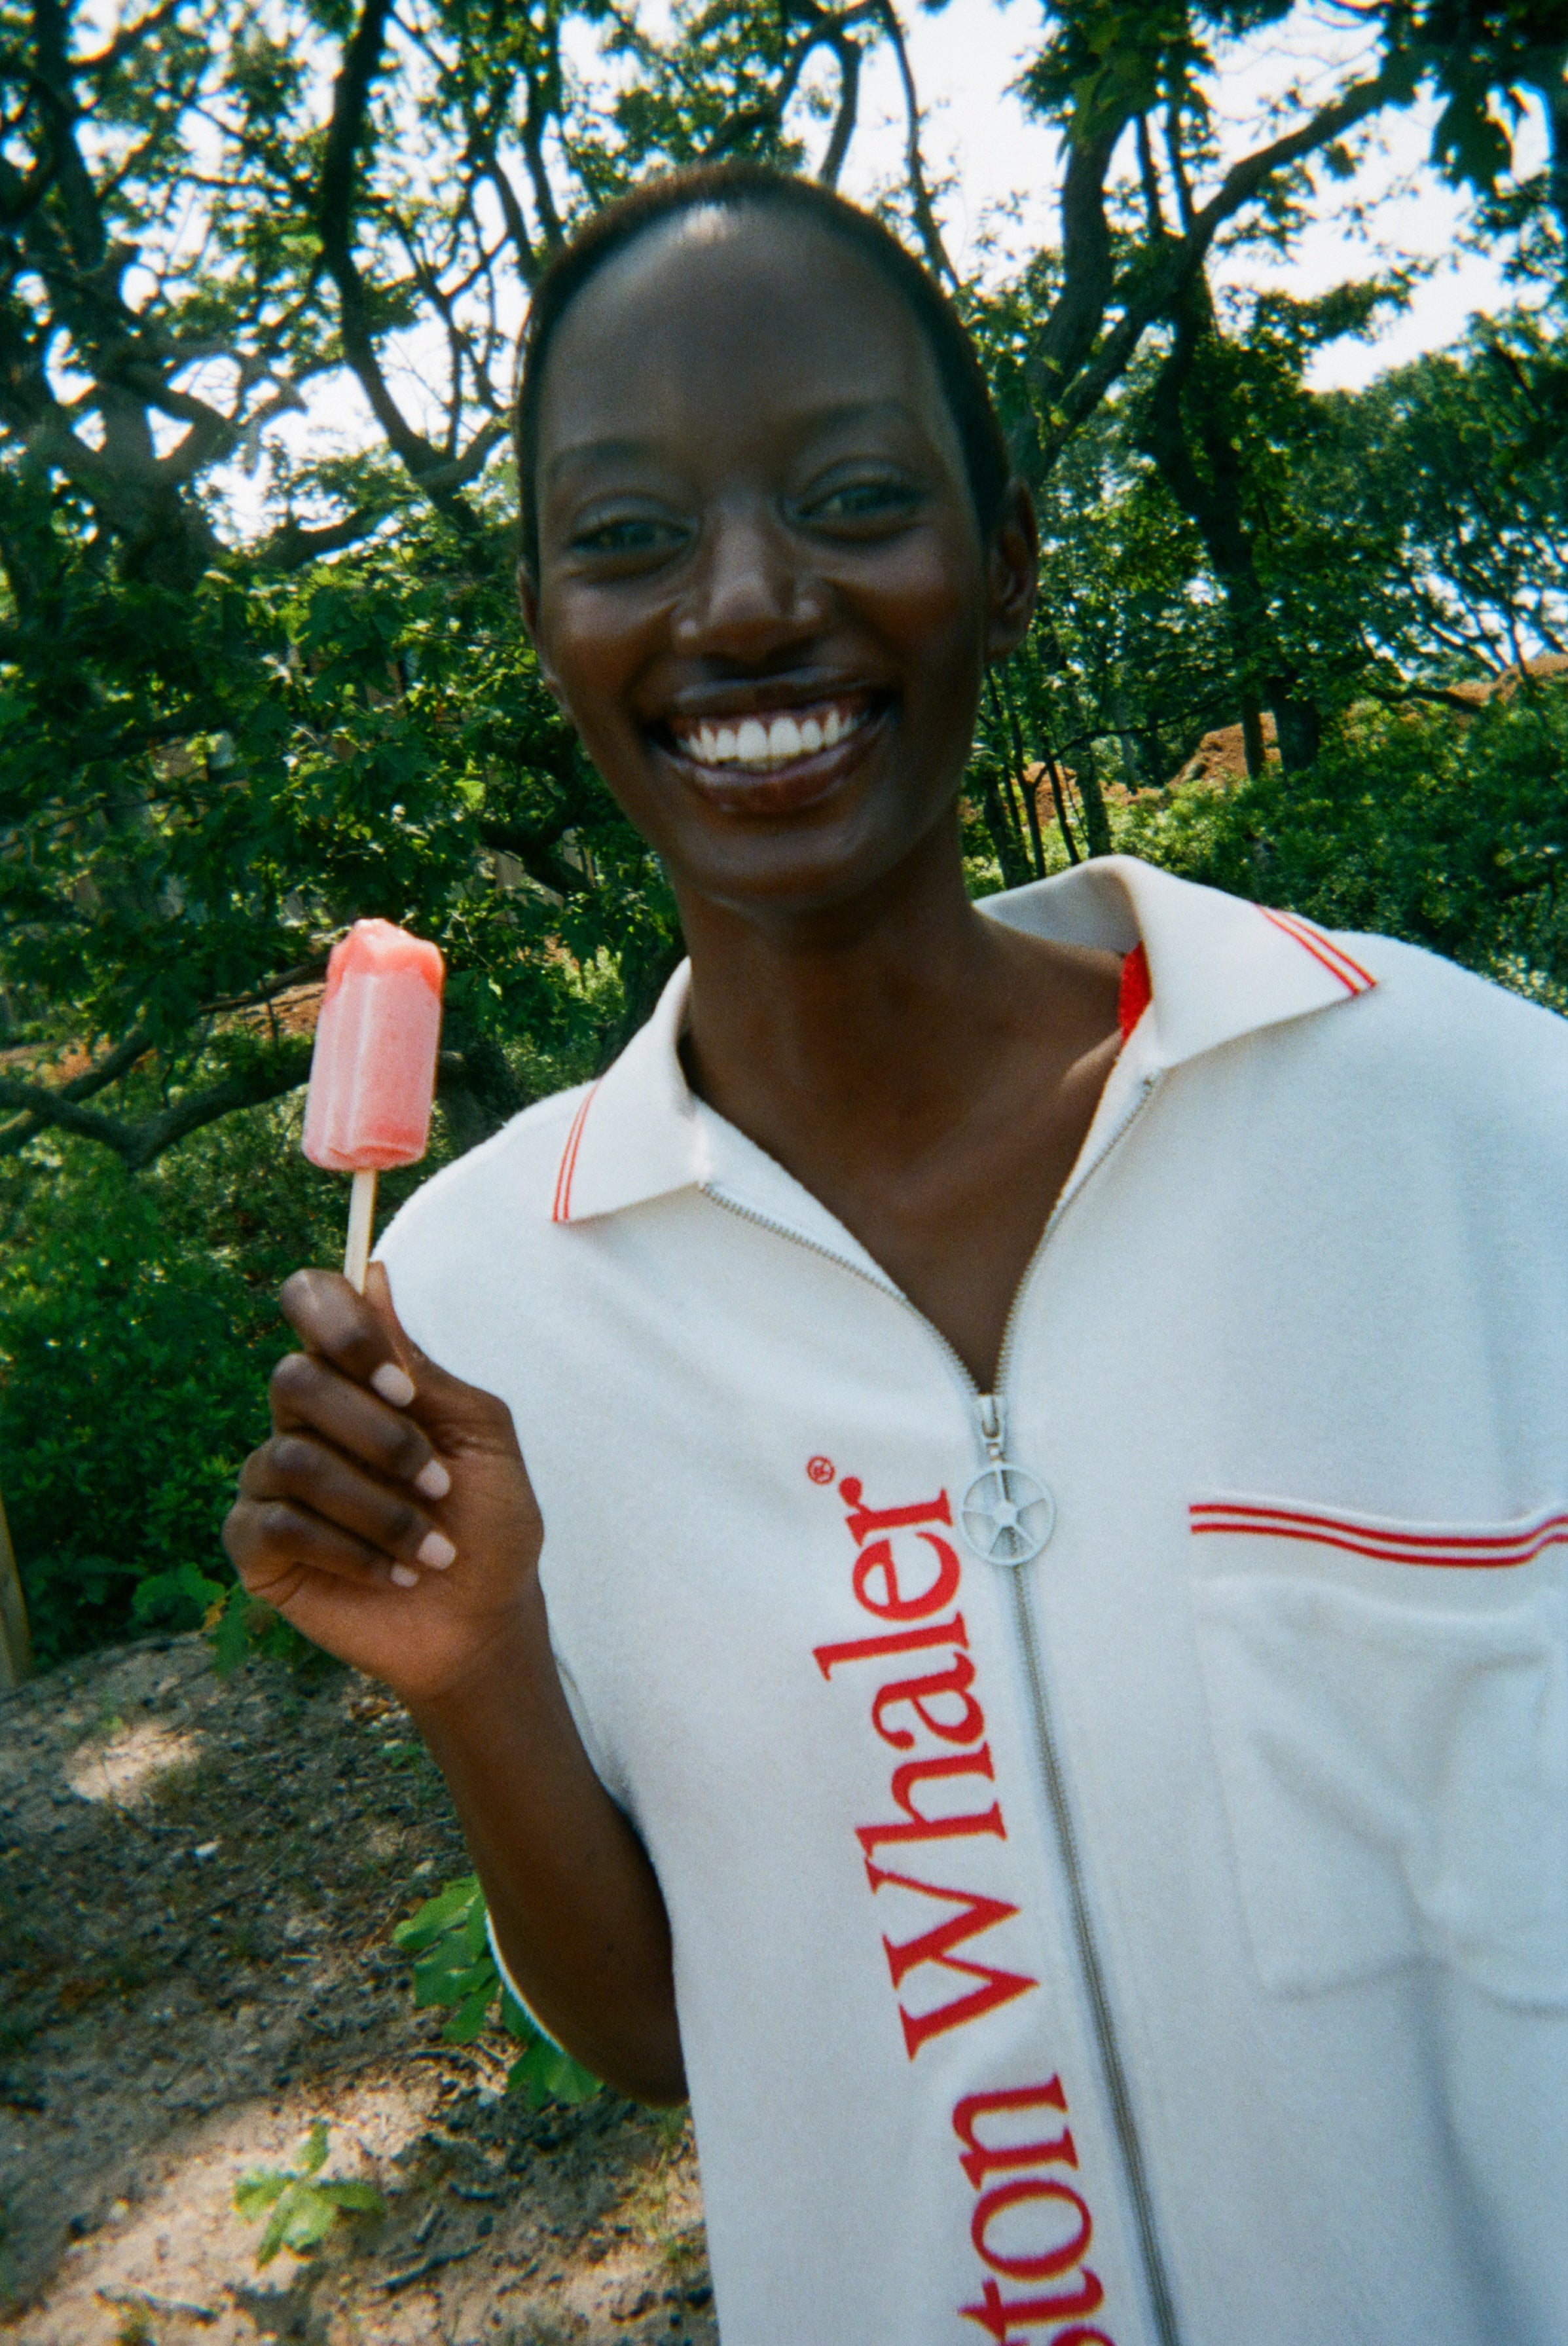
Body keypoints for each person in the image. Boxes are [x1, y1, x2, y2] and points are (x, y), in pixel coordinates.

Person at [223, 164, 1568, 2346]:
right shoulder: (471, 1305)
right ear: (552, 630)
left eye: (852, 497)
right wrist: (471, 1675)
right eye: (629, 538)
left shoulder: (1476, 1130)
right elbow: (669, 2032)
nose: (744, 604)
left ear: (1004, 559)